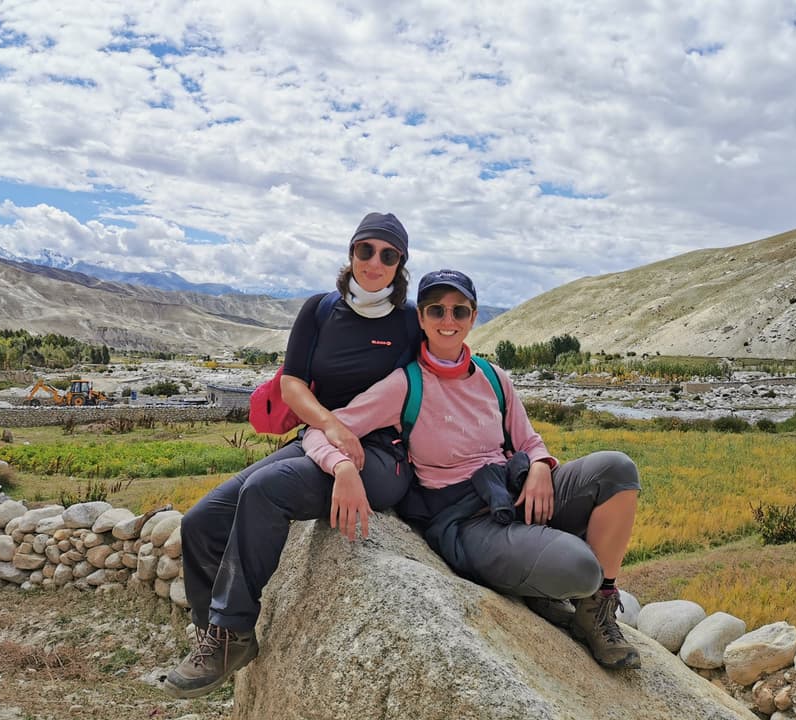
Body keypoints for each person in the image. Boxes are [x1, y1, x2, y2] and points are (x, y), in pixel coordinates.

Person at [302, 269, 643, 670]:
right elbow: (322, 431)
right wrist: (342, 468)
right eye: (436, 310)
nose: (448, 320)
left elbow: (529, 440)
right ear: (421, 318)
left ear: (473, 316)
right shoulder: (404, 385)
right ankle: (546, 583)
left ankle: (596, 608)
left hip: (513, 491)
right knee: (580, 569)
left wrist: (539, 465)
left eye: (459, 311)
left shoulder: (493, 377)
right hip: (467, 520)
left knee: (617, 469)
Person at [163, 212, 421, 698]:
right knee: (200, 522)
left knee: (266, 491)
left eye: (388, 255)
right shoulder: (320, 310)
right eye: (365, 250)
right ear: (351, 253)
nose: (375, 262)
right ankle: (213, 637)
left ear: (400, 264)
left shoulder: (410, 320)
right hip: (319, 437)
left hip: (380, 455)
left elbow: (444, 373)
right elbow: (292, 383)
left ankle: (232, 630)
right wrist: (330, 426)